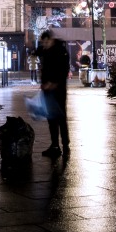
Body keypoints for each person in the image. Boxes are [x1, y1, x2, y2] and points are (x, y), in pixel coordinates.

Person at [35, 30, 70, 158]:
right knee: (51, 118)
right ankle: (55, 145)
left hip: (58, 90)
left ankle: (65, 144)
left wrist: (53, 83)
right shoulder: (46, 49)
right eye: (42, 42)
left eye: (45, 42)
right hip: (48, 90)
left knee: (60, 117)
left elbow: (63, 70)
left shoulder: (61, 51)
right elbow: (37, 51)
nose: (44, 45)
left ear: (51, 40)